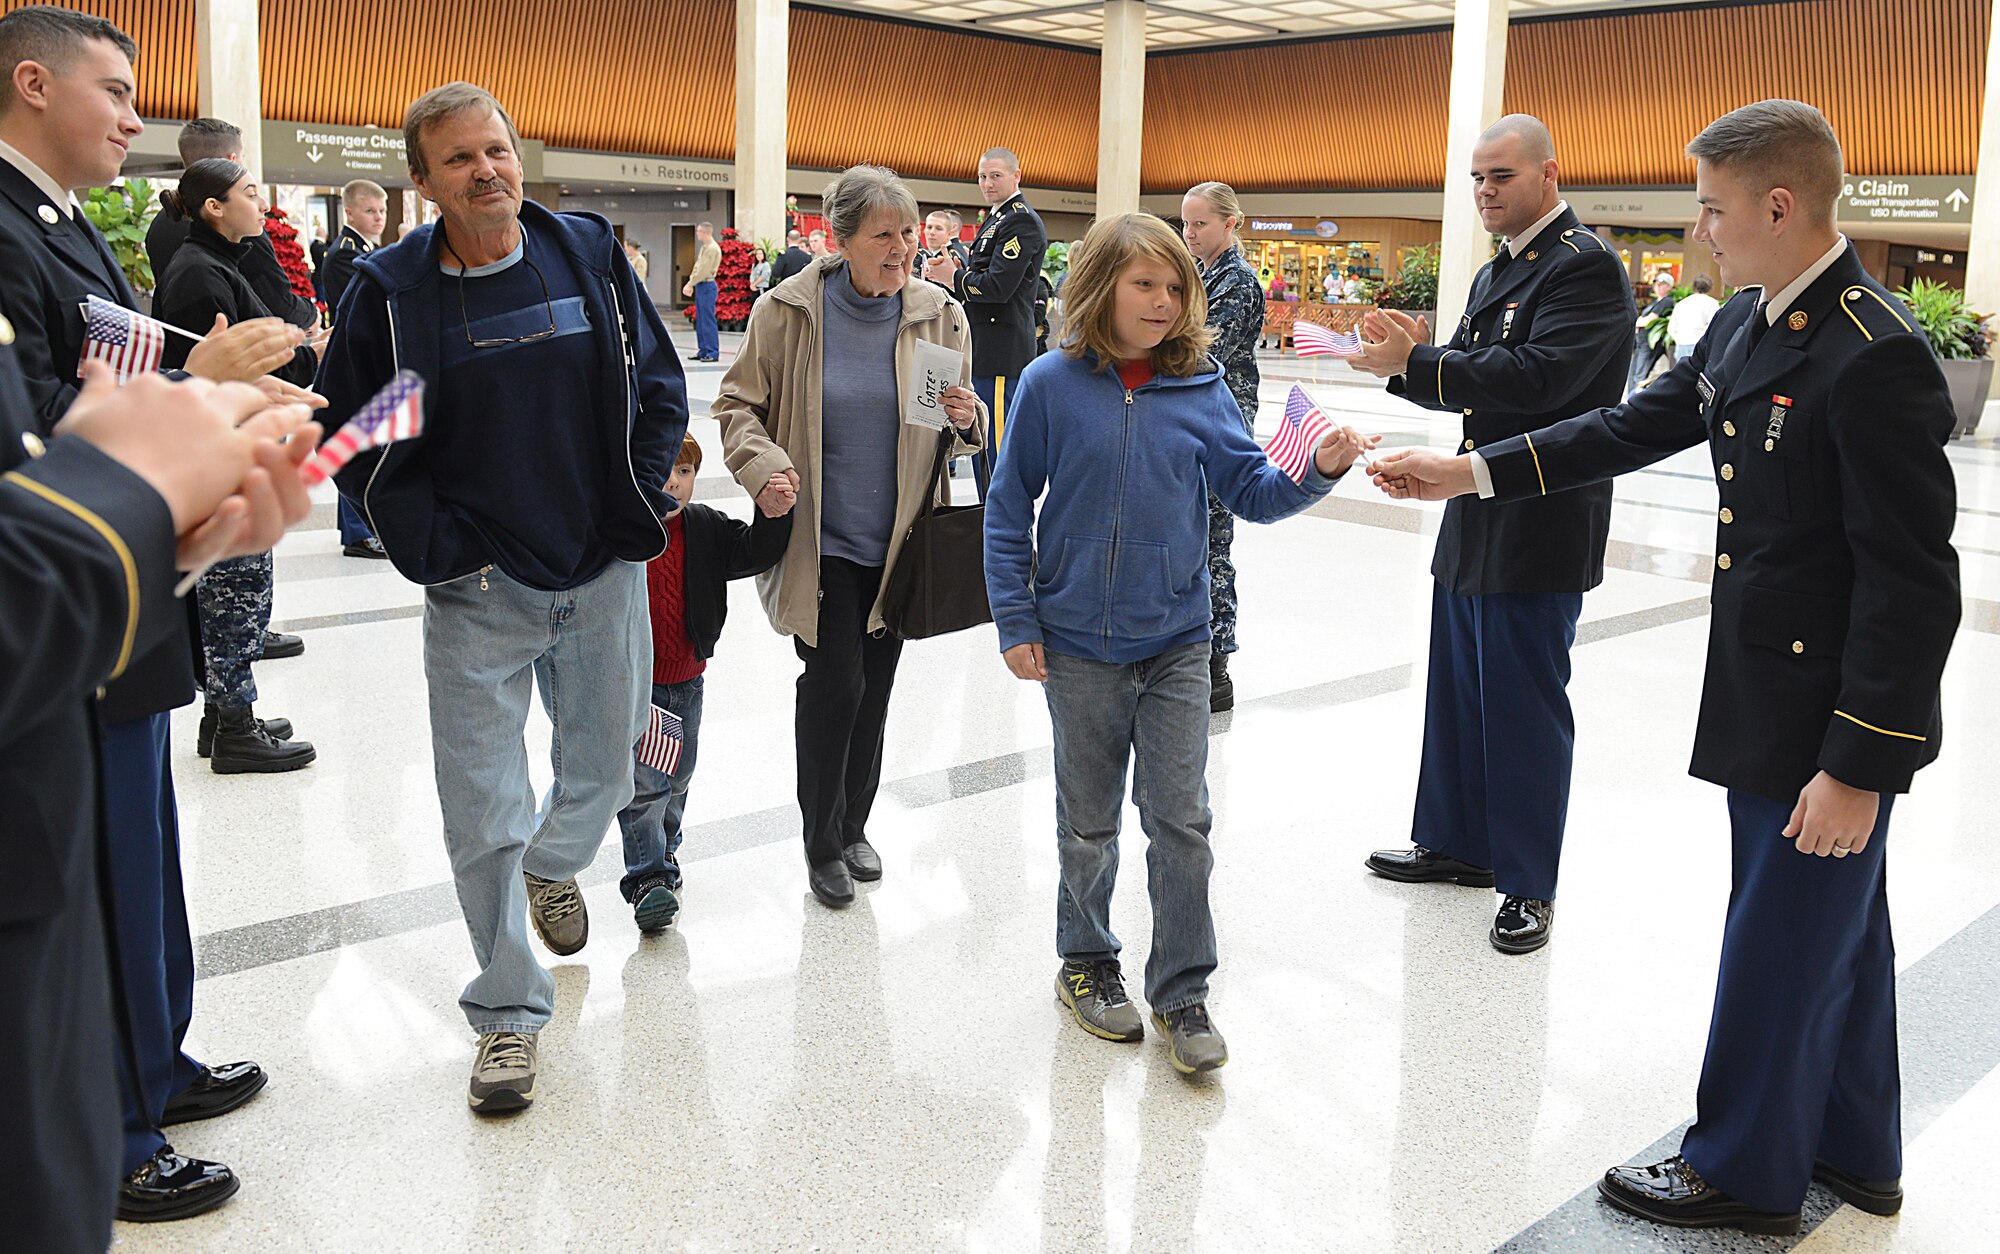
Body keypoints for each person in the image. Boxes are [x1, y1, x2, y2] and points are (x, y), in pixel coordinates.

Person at [1369, 99, 1959, 1239]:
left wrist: (1859, 765)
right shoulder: (1747, 323)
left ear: (1776, 205)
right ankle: (1854, 1146)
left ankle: (1742, 1169)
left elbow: (1911, 585)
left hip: (1826, 715)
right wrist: (1470, 476)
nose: (1701, 233)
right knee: (1836, 928)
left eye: (1711, 208)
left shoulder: (1871, 351)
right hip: (1763, 687)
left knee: (1780, 938)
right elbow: (1624, 428)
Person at [312, 80, 688, 1113]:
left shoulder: (583, 252)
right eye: (460, 159)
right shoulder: (394, 294)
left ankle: (552, 865)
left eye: (499, 150)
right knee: (482, 812)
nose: (487, 172)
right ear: (423, 182)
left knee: (609, 771)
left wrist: (638, 490)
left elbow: (657, 384)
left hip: (600, 566)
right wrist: (438, 543)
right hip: (478, 590)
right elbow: (352, 433)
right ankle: (508, 1014)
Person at [0, 5, 313, 1224]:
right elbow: (45, 423)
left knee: (140, 863)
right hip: (64, 604)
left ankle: (151, 1066)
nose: (137, 119)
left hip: (119, 593)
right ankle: (120, 1127)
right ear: (31, 84)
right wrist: (198, 389)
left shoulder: (63, 221)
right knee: (94, 871)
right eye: (115, 90)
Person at [983, 212, 1372, 1076]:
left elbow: (1255, 492)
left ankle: (1183, 989)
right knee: (1087, 823)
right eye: (1143, 284)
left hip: (1176, 642)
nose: (1161, 302)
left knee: (1182, 822)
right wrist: (1016, 618)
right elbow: (1009, 507)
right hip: (1077, 642)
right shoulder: (1050, 384)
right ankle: (1085, 963)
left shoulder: (1201, 390)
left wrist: (1322, 469)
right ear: (1101, 289)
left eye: (1173, 287)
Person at [1344, 113, 1632, 956]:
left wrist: (1419, 362)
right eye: (1476, 178)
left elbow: (1543, 379)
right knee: (1459, 687)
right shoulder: (1496, 273)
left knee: (1523, 703)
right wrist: (1405, 366)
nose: (1484, 192)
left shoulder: (1585, 271)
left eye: (1500, 176)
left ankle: (1528, 882)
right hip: (1476, 504)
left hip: (1541, 513)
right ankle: (1459, 842)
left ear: (1549, 173)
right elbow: (1472, 387)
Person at [716, 164, 983, 908]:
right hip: (820, 543)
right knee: (835, 687)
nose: (903, 249)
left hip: (899, 546)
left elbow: (951, 431)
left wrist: (967, 422)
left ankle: (855, 823)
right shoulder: (789, 310)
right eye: (885, 236)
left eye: (908, 232)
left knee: (877, 690)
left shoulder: (938, 314)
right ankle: (821, 842)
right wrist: (763, 465)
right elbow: (737, 406)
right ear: (842, 240)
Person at [153, 158, 321, 774]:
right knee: (233, 591)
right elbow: (238, 368)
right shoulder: (200, 273)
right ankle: (234, 725)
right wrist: (300, 355)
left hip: (237, 444)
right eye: (250, 194)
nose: (262, 205)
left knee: (239, 585)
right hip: (223, 450)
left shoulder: (220, 261)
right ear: (213, 207)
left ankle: (222, 715)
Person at [616, 434, 794, 931]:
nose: (674, 482)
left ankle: (665, 851)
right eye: (663, 470)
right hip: (639, 685)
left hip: (688, 680)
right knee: (647, 786)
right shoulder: (625, 529)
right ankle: (647, 877)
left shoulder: (703, 527)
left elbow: (753, 552)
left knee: (679, 777)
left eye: (686, 472)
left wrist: (772, 511)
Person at [1180, 181, 1265, 713]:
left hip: (1221, 428)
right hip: (1197, 420)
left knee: (1213, 543)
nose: (1189, 233)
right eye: (1185, 223)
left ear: (1230, 224)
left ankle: (1216, 668)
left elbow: (1202, 351)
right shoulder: (1202, 274)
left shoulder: (1236, 281)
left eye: (1200, 223)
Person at [923, 146, 1046, 497]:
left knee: (997, 448)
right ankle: (986, 525)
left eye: (996, 175)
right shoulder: (998, 218)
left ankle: (1003, 532)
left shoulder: (1020, 219)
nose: (987, 183)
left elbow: (998, 287)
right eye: (982, 176)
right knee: (981, 446)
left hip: (1001, 352)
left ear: (1015, 176)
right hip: (983, 347)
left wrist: (954, 278)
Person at [144, 116, 316, 333]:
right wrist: (311, 321)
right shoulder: (225, 239)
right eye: (251, 194)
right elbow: (274, 304)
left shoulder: (160, 226)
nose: (263, 206)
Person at [320, 179, 390, 557]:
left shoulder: (364, 250)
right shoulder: (347, 254)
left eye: (381, 211)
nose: (378, 217)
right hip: (352, 356)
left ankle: (361, 528)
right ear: (349, 212)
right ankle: (359, 532)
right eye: (369, 211)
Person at [1630, 271, 1678, 391]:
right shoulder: (1655, 302)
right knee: (1633, 371)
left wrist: (1635, 323)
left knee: (1640, 373)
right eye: (1656, 283)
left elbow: (1650, 319)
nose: (1657, 286)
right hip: (1641, 342)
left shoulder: (1667, 301)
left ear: (1669, 286)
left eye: (1661, 284)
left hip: (1649, 344)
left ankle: (1634, 398)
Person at [683, 220, 721, 362]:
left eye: (698, 231)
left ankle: (712, 351)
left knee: (707, 320)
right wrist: (691, 282)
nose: (697, 234)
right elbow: (697, 267)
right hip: (701, 286)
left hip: (707, 285)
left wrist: (690, 283)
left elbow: (704, 270)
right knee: (700, 320)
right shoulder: (705, 247)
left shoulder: (712, 248)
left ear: (704, 232)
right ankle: (703, 349)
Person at [1667, 272, 1721, 362]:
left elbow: (1671, 328)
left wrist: (1679, 339)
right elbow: (1714, 326)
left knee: (1681, 374)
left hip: (1682, 344)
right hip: (1700, 345)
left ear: (1694, 287)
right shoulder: (1712, 304)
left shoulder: (1682, 303)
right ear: (1710, 287)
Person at [915, 207, 967, 278]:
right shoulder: (934, 253)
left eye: (939, 228)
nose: (932, 232)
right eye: (929, 227)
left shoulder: (952, 256)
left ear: (949, 234)